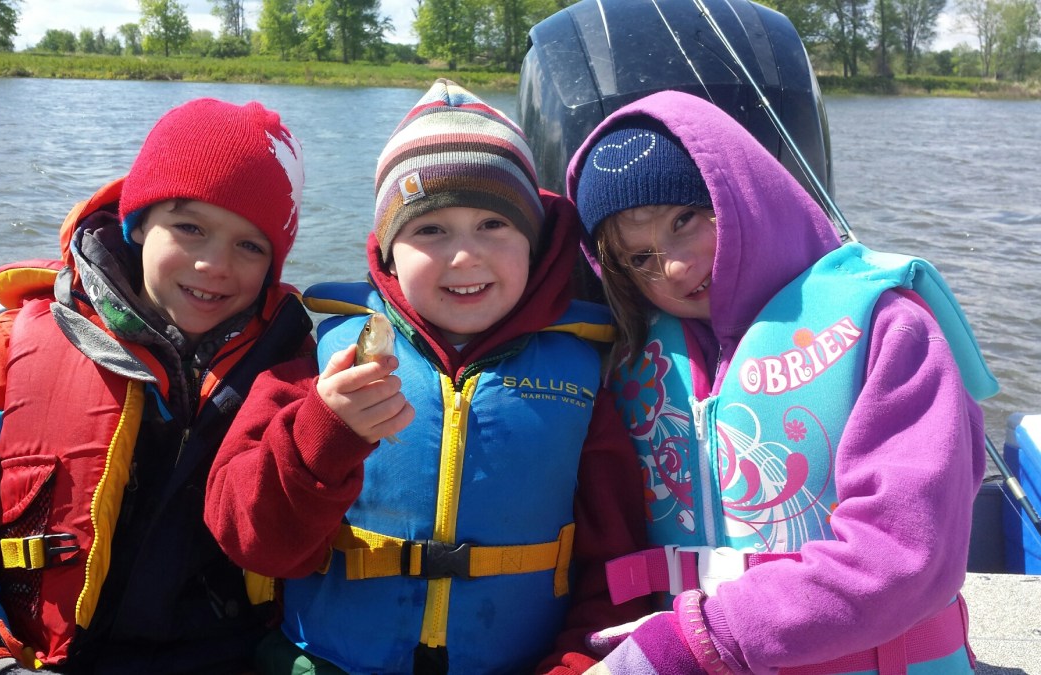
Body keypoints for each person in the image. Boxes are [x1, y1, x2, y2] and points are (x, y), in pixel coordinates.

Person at [204, 78, 649, 675]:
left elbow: (618, 567)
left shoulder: (585, 376)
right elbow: (248, 540)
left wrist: (574, 665)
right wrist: (321, 435)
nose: (464, 256)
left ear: (535, 242)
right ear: (388, 252)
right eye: (430, 229)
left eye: (494, 224)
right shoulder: (319, 360)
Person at [0, 98, 313, 675]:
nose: (214, 264)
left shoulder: (295, 367)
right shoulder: (10, 344)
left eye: (250, 245)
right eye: (189, 227)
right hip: (40, 660)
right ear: (139, 224)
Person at [565, 89, 996, 674]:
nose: (674, 267)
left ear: (741, 195)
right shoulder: (634, 361)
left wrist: (702, 639)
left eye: (685, 220)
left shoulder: (891, 328)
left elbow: (905, 553)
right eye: (640, 258)